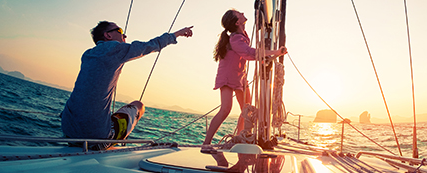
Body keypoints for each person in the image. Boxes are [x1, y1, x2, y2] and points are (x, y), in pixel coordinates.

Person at [61, 21, 193, 150]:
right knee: (138, 106)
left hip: (68, 131)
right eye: (120, 31)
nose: (124, 36)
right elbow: (151, 45)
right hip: (96, 138)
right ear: (108, 35)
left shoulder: (87, 54)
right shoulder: (115, 49)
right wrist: (178, 34)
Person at [203, 9, 286, 146]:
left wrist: (273, 55)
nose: (242, 12)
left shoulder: (243, 35)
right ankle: (206, 143)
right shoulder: (235, 38)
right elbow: (249, 53)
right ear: (237, 22)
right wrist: (276, 51)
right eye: (239, 14)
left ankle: (240, 139)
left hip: (240, 77)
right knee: (225, 109)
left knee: (246, 110)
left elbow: (254, 54)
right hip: (228, 77)